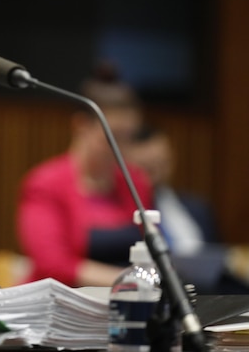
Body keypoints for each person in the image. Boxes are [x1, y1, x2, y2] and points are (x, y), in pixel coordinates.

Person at [15, 65, 153, 287]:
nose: (121, 148)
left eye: (129, 137)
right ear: (81, 126)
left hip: (125, 302)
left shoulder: (135, 181)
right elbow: (54, 265)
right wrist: (132, 280)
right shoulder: (45, 183)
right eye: (113, 136)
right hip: (59, 301)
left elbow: (149, 249)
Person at [127, 125, 249, 294]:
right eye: (147, 167)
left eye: (162, 163)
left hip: (212, 291)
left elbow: (218, 258)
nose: (157, 173)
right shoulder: (121, 214)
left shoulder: (197, 207)